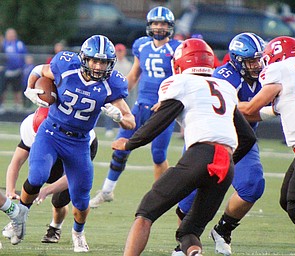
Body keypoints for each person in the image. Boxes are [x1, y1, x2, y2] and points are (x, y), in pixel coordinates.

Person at [112, 38, 256, 256]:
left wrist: (130, 142)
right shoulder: (224, 87)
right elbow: (247, 137)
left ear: (180, 64)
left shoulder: (180, 83)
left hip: (200, 155)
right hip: (226, 164)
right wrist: (226, 161)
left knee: (145, 212)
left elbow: (159, 122)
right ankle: (194, 253)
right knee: (189, 232)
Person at [21, 35, 135, 252]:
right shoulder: (66, 65)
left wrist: (119, 117)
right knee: (37, 176)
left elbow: (131, 121)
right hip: (51, 132)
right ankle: (19, 217)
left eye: (104, 62)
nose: (99, 66)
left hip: (79, 142)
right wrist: (29, 87)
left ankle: (78, 233)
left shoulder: (112, 84)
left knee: (81, 200)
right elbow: (39, 69)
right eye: (95, 60)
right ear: (84, 58)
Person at [171, 32, 266, 256]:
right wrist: (268, 110)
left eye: (259, 59)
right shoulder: (224, 76)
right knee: (188, 197)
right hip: (209, 136)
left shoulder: (267, 74)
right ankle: (184, 242)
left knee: (253, 185)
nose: (256, 65)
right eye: (251, 61)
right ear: (236, 60)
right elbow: (239, 109)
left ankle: (223, 230)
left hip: (242, 140)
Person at [89, 6, 181, 208]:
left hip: (163, 109)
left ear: (170, 26)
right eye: (156, 23)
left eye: (163, 23)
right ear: (149, 25)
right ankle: (106, 191)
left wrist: (168, 99)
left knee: (158, 156)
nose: (159, 27)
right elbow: (133, 75)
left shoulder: (177, 48)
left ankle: (160, 198)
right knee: (120, 145)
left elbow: (181, 80)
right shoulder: (142, 45)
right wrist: (115, 97)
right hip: (140, 106)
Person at [238, 36, 295, 256]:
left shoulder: (281, 69)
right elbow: (265, 113)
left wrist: (223, 105)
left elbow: (250, 109)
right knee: (287, 200)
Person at [2, 106, 98, 244]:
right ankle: (19, 218)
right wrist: (10, 189)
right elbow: (16, 162)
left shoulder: (81, 133)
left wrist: (47, 190)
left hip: (74, 145)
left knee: (60, 200)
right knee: (33, 182)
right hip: (50, 153)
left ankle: (56, 228)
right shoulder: (31, 127)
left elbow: (72, 178)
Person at [105, 43, 134, 137]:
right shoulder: (112, 63)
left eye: (120, 51)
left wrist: (127, 89)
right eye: (117, 51)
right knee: (109, 111)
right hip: (111, 91)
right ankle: (108, 128)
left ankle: (122, 129)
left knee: (125, 111)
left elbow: (130, 78)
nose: (119, 53)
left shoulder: (128, 64)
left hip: (123, 90)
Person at [0, 28, 27, 110]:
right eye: (9, 34)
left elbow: (25, 55)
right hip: (5, 71)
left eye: (13, 34)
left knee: (17, 89)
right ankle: (2, 105)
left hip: (17, 71)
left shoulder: (19, 44)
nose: (11, 36)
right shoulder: (3, 44)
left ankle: (18, 105)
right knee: (3, 89)